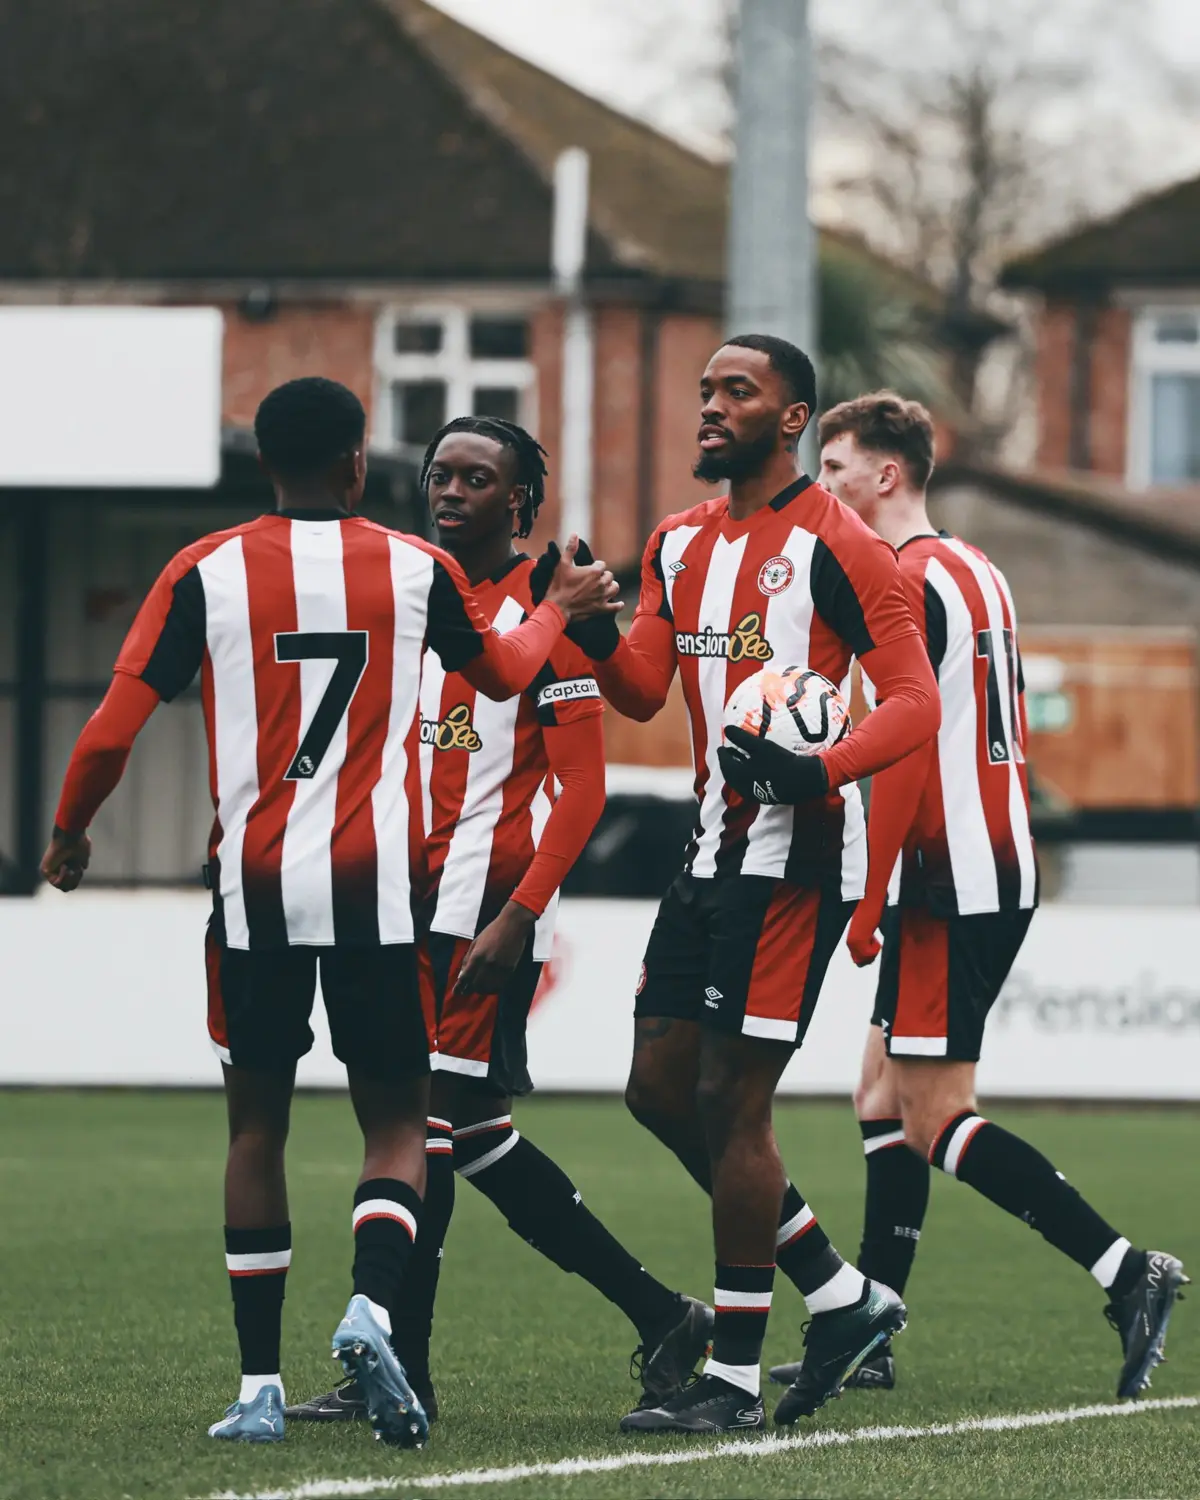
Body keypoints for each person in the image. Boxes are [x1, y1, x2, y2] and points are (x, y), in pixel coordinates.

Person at [40, 378, 620, 1448]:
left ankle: (258, 1385)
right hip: (379, 891)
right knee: (400, 1121)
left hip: (253, 890)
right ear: (361, 465)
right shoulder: (418, 569)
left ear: (265, 460)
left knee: (255, 1128)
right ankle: (370, 1306)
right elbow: (501, 676)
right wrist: (557, 610)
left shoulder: (201, 571)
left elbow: (113, 732)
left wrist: (73, 831)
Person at [287, 416, 714, 1429]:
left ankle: (397, 1368)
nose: (451, 491)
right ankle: (662, 1315)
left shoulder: (548, 607)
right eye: (441, 474)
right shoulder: (418, 591)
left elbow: (581, 791)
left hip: (482, 903)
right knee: (468, 1132)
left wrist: (520, 918)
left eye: (477, 479)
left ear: (519, 500)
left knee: (424, 1127)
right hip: (406, 894)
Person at [555, 336, 941, 1433]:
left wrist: (818, 766)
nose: (711, 408)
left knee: (733, 1101)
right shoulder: (677, 542)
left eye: (738, 392)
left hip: (799, 857)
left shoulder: (844, 544)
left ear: (794, 420)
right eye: (705, 392)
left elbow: (914, 703)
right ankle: (840, 1291)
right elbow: (638, 692)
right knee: (658, 1090)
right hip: (709, 850)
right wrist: (585, 619)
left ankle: (728, 1378)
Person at [770, 390, 1187, 1401]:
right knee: (879, 1096)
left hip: (943, 874)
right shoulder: (974, 565)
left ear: (888, 475)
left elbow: (912, 748)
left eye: (836, 469)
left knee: (935, 1116)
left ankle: (1127, 1270)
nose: (823, 487)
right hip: (992, 858)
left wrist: (868, 905)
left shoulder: (902, 582)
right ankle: (874, 1328)